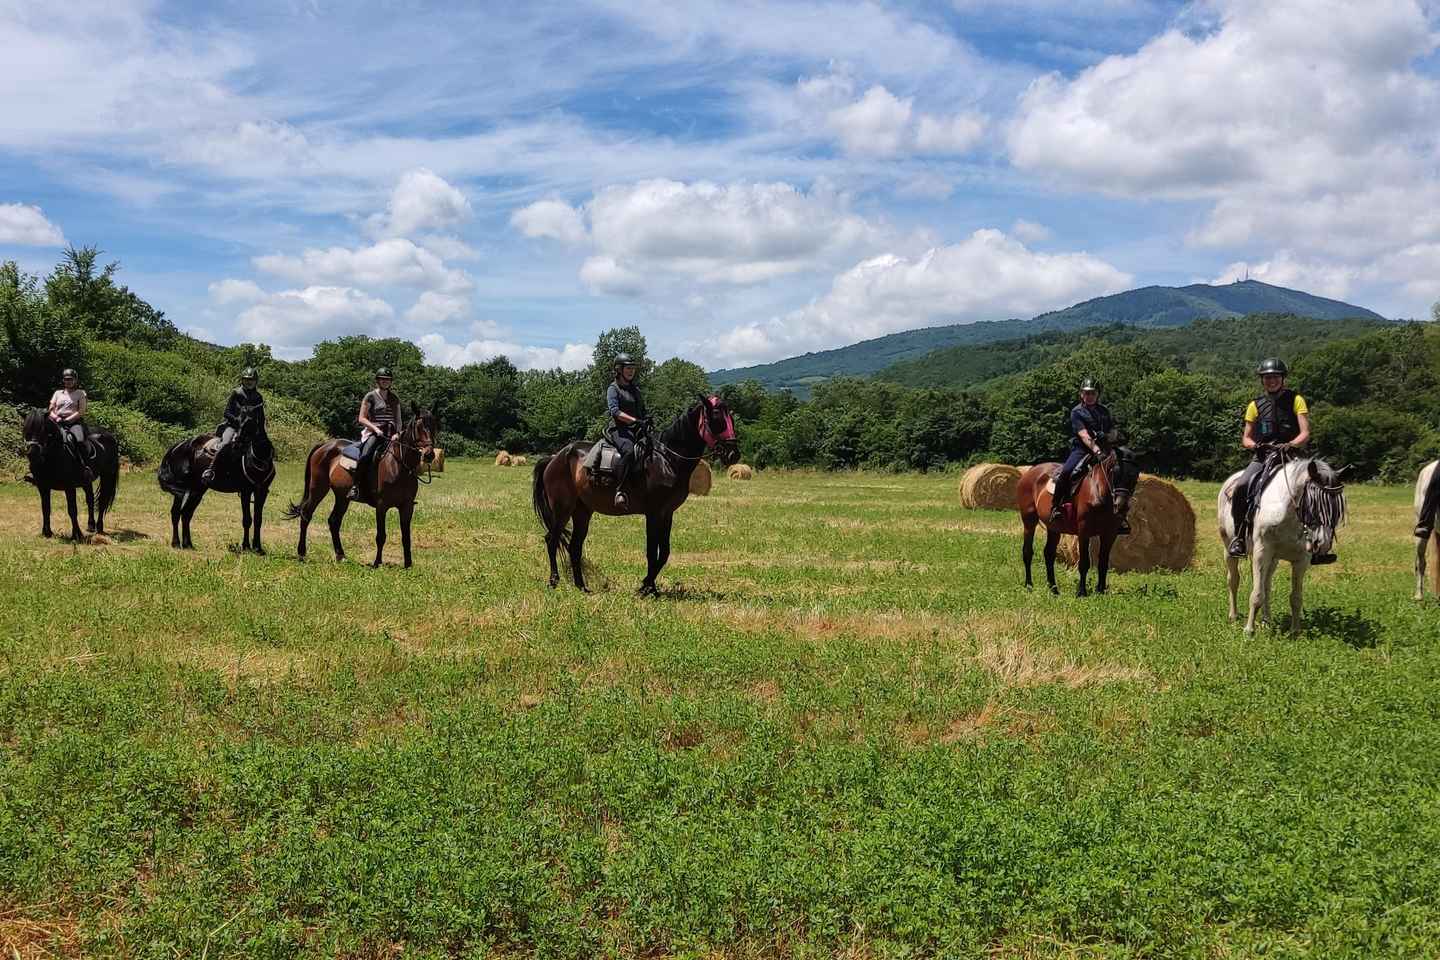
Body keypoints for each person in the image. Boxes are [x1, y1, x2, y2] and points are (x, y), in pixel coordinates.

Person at [1227, 358, 1331, 562]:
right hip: (1264, 456)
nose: (1271, 380)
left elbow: (1305, 433)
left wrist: (1291, 444)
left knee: (1317, 489)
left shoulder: (1296, 400)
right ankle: (1239, 537)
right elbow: (1246, 438)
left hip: (1291, 456)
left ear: (1282, 378)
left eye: (1275, 377)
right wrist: (1255, 445)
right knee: (1242, 486)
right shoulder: (1254, 405)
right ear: (1262, 380)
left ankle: (1321, 543)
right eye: (1267, 377)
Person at [1050, 377, 1129, 533]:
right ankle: (1056, 507)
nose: (1089, 396)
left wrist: (1110, 437)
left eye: (1092, 393)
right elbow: (1084, 435)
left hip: (1104, 448)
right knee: (1066, 472)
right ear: (1081, 394)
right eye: (1086, 393)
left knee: (1123, 470)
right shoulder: (1077, 412)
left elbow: (1111, 430)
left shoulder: (1104, 411)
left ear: (1097, 394)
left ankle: (1120, 515)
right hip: (1082, 449)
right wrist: (1097, 450)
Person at [202, 367, 266, 485]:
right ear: (242, 380)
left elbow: (261, 417)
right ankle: (210, 470)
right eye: (246, 379)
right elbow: (226, 412)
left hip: (251, 430)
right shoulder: (237, 393)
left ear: (256, 381)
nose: (249, 382)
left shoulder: (258, 397)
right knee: (225, 444)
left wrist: (262, 433)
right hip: (233, 427)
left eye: (251, 380)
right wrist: (237, 421)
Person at [349, 368, 401, 501]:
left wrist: (398, 433)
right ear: (378, 381)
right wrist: (375, 429)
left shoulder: (394, 398)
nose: (385, 382)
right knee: (366, 455)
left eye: (387, 380)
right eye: (382, 379)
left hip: (392, 434)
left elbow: (398, 419)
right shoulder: (370, 396)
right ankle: (355, 487)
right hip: (375, 432)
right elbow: (361, 418)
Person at [606, 353, 648, 509]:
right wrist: (635, 420)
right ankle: (620, 490)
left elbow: (642, 410)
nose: (631, 371)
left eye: (633, 368)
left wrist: (647, 419)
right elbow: (615, 412)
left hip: (636, 429)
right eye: (628, 368)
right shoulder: (613, 388)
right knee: (629, 452)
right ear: (619, 369)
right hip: (619, 429)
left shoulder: (635, 390)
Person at [47, 368, 93, 480]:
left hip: (74, 422)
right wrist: (56, 417)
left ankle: (85, 467)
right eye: (66, 379)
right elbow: (51, 408)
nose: (68, 381)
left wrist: (68, 419)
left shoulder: (80, 393)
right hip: (56, 421)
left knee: (79, 440)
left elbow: (81, 411)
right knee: (41, 439)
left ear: (75, 380)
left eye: (70, 379)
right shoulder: (57, 393)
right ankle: (38, 469)